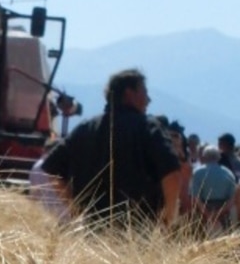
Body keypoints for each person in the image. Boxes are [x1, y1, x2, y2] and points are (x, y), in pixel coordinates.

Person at [39, 68, 181, 228]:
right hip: (138, 232)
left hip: (92, 231)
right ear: (129, 93)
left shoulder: (85, 128)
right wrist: (169, 217)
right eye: (144, 92)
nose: (148, 100)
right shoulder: (148, 127)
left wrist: (75, 207)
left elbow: (52, 168)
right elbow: (172, 173)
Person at [190, 146, 238, 234]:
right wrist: (218, 214)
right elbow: (232, 199)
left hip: (202, 213)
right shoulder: (228, 173)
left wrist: (208, 215)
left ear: (203, 156)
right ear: (219, 157)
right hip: (224, 214)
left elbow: (195, 197)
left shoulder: (197, 173)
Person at [29, 138, 71, 222]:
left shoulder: (36, 167)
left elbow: (34, 194)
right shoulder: (60, 165)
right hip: (63, 213)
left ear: (44, 149)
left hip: (45, 213)